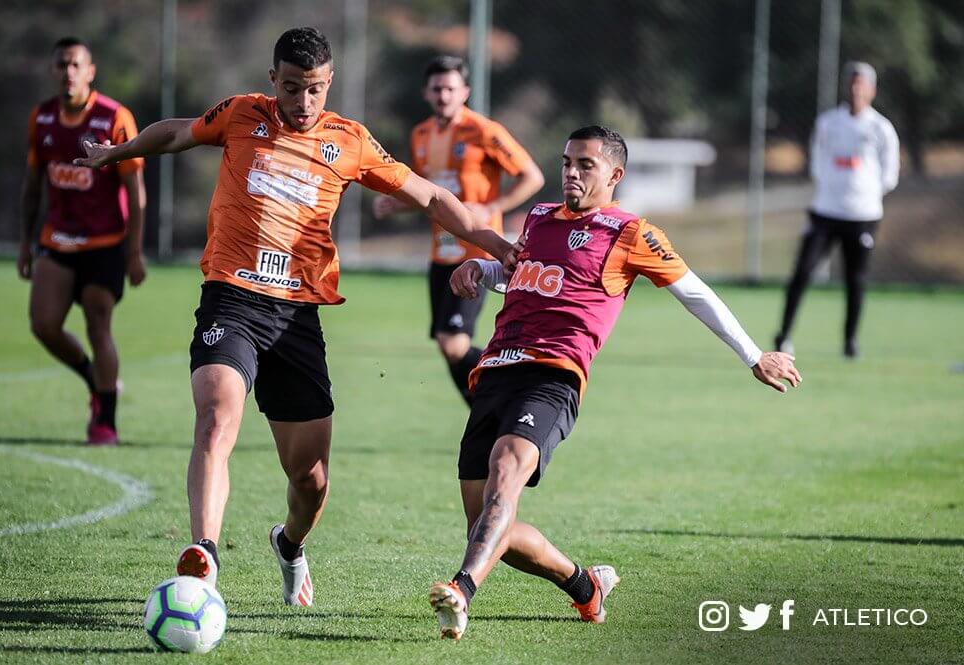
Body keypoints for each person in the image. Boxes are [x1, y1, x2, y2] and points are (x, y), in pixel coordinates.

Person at [76, 27, 510, 605]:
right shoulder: (240, 115)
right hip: (230, 296)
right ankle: (203, 554)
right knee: (215, 417)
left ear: (328, 83)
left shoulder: (349, 141)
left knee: (309, 482)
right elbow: (176, 133)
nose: (302, 104)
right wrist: (116, 153)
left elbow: (429, 197)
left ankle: (290, 542)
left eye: (314, 91)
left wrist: (492, 243)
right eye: (290, 88)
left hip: (296, 316)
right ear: (271, 80)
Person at [427, 126, 802, 640]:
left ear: (614, 175)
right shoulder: (538, 218)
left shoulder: (630, 233)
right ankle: (585, 586)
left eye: (585, 165)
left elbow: (696, 294)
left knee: (505, 471)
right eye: (566, 162)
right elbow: (520, 274)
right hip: (495, 370)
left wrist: (753, 355)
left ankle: (461, 590)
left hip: (554, 376)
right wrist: (478, 268)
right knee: (490, 528)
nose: (571, 173)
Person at [373, 56, 543, 404]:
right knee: (445, 341)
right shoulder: (420, 135)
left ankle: (510, 391)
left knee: (454, 342)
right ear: (426, 92)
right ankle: (487, 409)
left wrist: (493, 207)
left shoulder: (484, 131)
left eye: (451, 88)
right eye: (437, 89)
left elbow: (533, 176)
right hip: (442, 251)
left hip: (478, 252)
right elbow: (430, 193)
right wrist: (397, 202)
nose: (444, 95)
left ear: (465, 91)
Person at [20, 36, 147, 446]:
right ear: (53, 70)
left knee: (98, 321)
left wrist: (134, 251)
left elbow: (135, 189)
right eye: (61, 65)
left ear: (90, 72)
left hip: (104, 243)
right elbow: (33, 185)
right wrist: (25, 242)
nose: (68, 72)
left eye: (76, 65)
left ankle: (105, 422)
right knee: (43, 325)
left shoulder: (114, 117)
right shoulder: (41, 119)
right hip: (56, 240)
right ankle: (95, 379)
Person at [775, 61, 900, 359]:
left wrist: (864, 196)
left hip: (862, 216)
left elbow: (889, 174)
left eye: (862, 84)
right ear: (847, 87)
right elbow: (818, 161)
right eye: (852, 83)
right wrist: (832, 189)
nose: (856, 89)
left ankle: (850, 341)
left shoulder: (880, 128)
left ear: (872, 89)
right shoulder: (829, 122)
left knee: (855, 279)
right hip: (825, 212)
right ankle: (783, 336)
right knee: (802, 272)